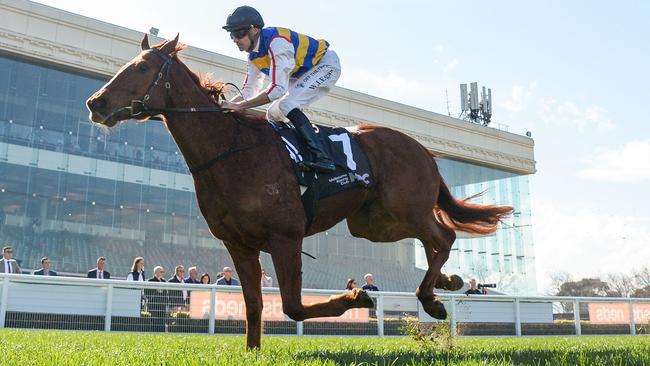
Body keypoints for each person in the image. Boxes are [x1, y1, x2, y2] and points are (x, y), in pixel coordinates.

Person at [220, 6, 341, 173]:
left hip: (325, 64)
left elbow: (277, 89)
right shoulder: (252, 56)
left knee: (286, 105)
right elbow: (248, 90)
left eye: (239, 33)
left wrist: (240, 107)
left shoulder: (277, 43)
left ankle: (323, 157)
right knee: (272, 114)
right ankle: (292, 155)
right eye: (232, 35)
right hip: (302, 73)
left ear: (254, 30)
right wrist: (225, 107)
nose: (235, 39)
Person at [145, 266, 168, 332]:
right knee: (154, 322)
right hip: (153, 306)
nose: (163, 273)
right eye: (161, 272)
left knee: (162, 322)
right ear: (156, 272)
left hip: (162, 306)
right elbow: (147, 293)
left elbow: (166, 294)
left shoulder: (164, 281)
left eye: (163, 272)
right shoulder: (150, 281)